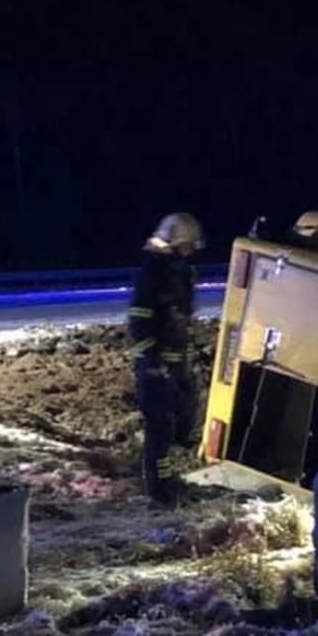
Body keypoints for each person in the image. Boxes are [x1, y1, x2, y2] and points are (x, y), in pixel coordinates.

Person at [128, 212, 204, 507]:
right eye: (186, 245)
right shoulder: (153, 272)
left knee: (183, 423)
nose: (190, 252)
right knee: (159, 428)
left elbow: (181, 317)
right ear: (173, 241)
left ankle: (170, 479)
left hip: (175, 363)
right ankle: (160, 491)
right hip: (155, 367)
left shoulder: (177, 272)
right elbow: (139, 321)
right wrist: (152, 359)